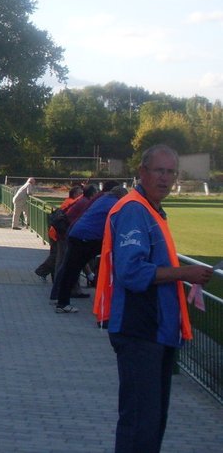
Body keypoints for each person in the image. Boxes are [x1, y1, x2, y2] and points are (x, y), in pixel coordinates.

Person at [94, 144, 214, 453]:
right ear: (142, 172)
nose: (165, 178)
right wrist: (183, 273)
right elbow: (131, 272)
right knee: (140, 424)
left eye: (170, 171)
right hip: (140, 329)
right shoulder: (135, 210)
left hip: (154, 331)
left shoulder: (151, 210)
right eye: (158, 170)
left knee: (151, 422)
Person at [53, 184, 126, 313]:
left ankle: (60, 300)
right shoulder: (116, 204)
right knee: (74, 270)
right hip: (87, 238)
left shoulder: (102, 198)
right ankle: (64, 302)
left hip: (76, 233)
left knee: (70, 269)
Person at [34, 185, 83, 280]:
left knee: (56, 255)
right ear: (75, 194)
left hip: (56, 231)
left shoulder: (68, 201)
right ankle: (42, 271)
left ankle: (47, 273)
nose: (81, 195)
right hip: (58, 233)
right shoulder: (71, 202)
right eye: (80, 193)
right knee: (56, 255)